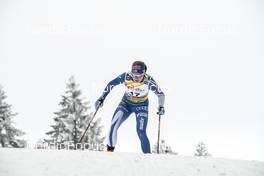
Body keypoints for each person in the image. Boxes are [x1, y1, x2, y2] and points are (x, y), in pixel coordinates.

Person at [95, 61, 165, 153]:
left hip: (141, 106)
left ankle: (148, 158)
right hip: (126, 104)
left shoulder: (149, 81)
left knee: (141, 131)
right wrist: (102, 98)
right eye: (134, 75)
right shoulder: (126, 76)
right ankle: (109, 153)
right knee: (113, 126)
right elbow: (111, 84)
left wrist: (161, 107)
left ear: (144, 74)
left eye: (139, 75)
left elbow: (161, 95)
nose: (136, 78)